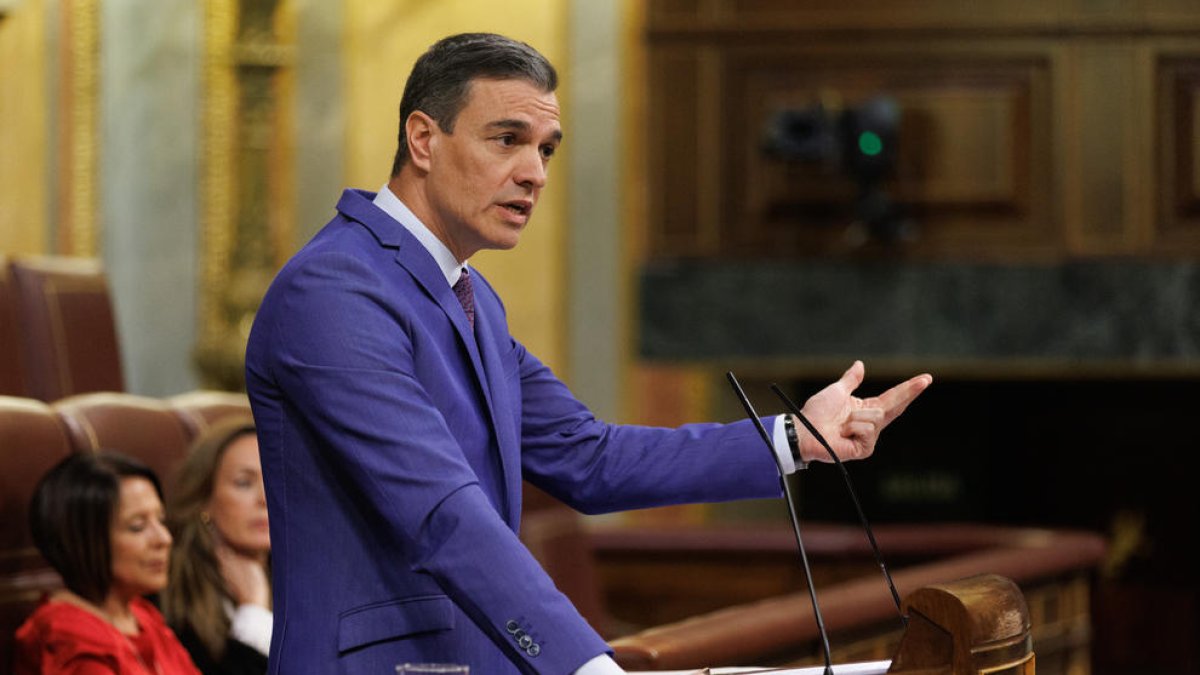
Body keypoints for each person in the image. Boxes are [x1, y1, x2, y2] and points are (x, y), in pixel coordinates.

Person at [244, 32, 933, 675]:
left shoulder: (468, 292)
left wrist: (796, 438)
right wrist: (588, 665)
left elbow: (590, 457)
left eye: (546, 148)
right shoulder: (333, 289)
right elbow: (440, 510)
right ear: (423, 138)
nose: (533, 172)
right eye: (507, 139)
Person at [14, 451, 201, 675]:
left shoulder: (141, 614)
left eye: (160, 520)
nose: (164, 539)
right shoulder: (67, 638)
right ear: (85, 540)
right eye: (137, 526)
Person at [161, 417, 271, 675]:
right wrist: (253, 611)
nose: (265, 498)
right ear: (204, 499)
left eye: (275, 480)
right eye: (244, 483)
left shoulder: (305, 574)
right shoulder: (172, 592)